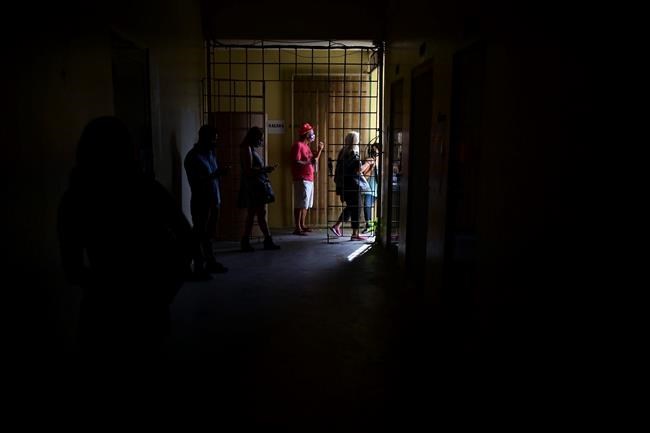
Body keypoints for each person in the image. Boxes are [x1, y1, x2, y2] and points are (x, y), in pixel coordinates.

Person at [58, 116, 194, 359]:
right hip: (146, 307)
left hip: (101, 312)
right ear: (128, 149)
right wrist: (164, 288)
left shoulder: (75, 198)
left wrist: (105, 286)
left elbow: (72, 269)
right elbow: (187, 239)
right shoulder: (148, 191)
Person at [184, 125, 229, 278]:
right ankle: (198, 267)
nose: (215, 142)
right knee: (199, 234)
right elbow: (196, 182)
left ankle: (210, 262)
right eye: (213, 139)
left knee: (208, 235)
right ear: (204, 138)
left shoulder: (210, 153)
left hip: (214, 200)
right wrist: (216, 174)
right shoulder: (192, 157)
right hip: (200, 201)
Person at [237, 126, 281, 252]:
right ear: (254, 137)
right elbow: (249, 170)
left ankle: (249, 241)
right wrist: (265, 169)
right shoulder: (247, 149)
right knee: (259, 214)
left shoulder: (249, 148)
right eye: (260, 138)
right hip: (254, 187)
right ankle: (266, 240)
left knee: (254, 214)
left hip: (255, 185)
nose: (261, 141)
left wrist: (264, 169)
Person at [330, 131, 373, 241]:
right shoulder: (353, 153)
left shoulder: (343, 151)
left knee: (351, 207)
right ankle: (355, 234)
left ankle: (337, 226)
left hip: (344, 184)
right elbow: (358, 171)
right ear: (355, 141)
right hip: (353, 185)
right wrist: (368, 163)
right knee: (356, 208)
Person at [290, 122, 325, 235]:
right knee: (300, 203)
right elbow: (296, 161)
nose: (313, 135)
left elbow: (314, 160)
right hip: (301, 178)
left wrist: (320, 150)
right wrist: (307, 162)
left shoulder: (307, 147)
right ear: (306, 134)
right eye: (312, 133)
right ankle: (297, 227)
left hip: (309, 178)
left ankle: (302, 224)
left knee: (306, 203)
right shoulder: (298, 145)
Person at [361, 144, 379, 234]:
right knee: (367, 205)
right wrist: (371, 167)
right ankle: (369, 225)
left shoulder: (384, 160)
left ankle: (378, 227)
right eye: (373, 151)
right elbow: (363, 174)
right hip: (370, 186)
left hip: (380, 187)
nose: (375, 153)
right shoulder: (369, 160)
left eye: (376, 151)